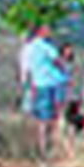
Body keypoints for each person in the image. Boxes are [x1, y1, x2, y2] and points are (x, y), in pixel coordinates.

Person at [23, 25, 62, 158]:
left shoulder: (29, 47)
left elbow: (26, 68)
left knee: (40, 118)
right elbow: (57, 60)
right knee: (49, 118)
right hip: (49, 83)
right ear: (41, 32)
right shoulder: (46, 47)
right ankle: (46, 148)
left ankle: (41, 146)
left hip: (36, 84)